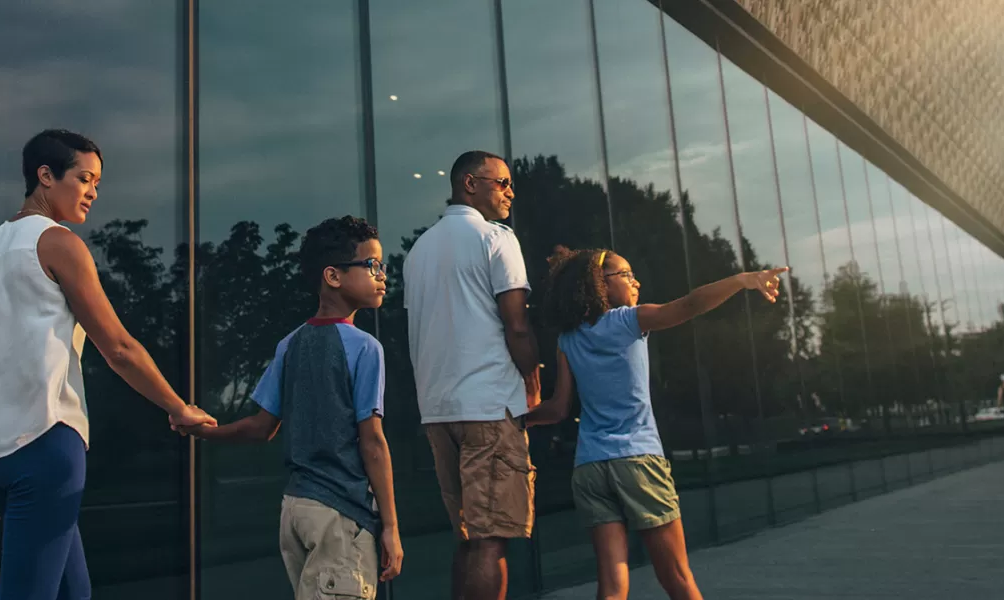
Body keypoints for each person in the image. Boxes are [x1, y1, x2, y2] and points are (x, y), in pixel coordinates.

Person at [0, 129, 215, 600]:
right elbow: (118, 347)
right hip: (43, 445)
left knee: (73, 593)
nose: (93, 192)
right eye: (84, 178)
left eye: (97, 182)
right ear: (45, 176)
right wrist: (178, 407)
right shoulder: (59, 243)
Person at [536, 247, 786, 600]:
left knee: (612, 586)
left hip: (590, 468)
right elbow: (689, 305)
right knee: (678, 579)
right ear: (600, 284)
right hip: (638, 462)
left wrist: (516, 419)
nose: (635, 282)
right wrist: (742, 280)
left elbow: (557, 409)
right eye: (626, 275)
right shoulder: (629, 320)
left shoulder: (568, 339)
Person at [177, 216, 402, 598]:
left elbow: (260, 426)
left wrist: (206, 431)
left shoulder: (290, 343)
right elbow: (373, 442)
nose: (382, 275)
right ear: (333, 276)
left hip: (296, 510)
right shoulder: (366, 348)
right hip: (340, 515)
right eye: (372, 265)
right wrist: (391, 527)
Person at [405, 151, 540, 600]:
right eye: (502, 183)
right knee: (490, 539)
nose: (510, 193)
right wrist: (532, 380)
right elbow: (516, 323)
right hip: (488, 406)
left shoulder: (418, 250)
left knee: (467, 537)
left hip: (438, 411)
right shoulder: (496, 238)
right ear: (469, 183)